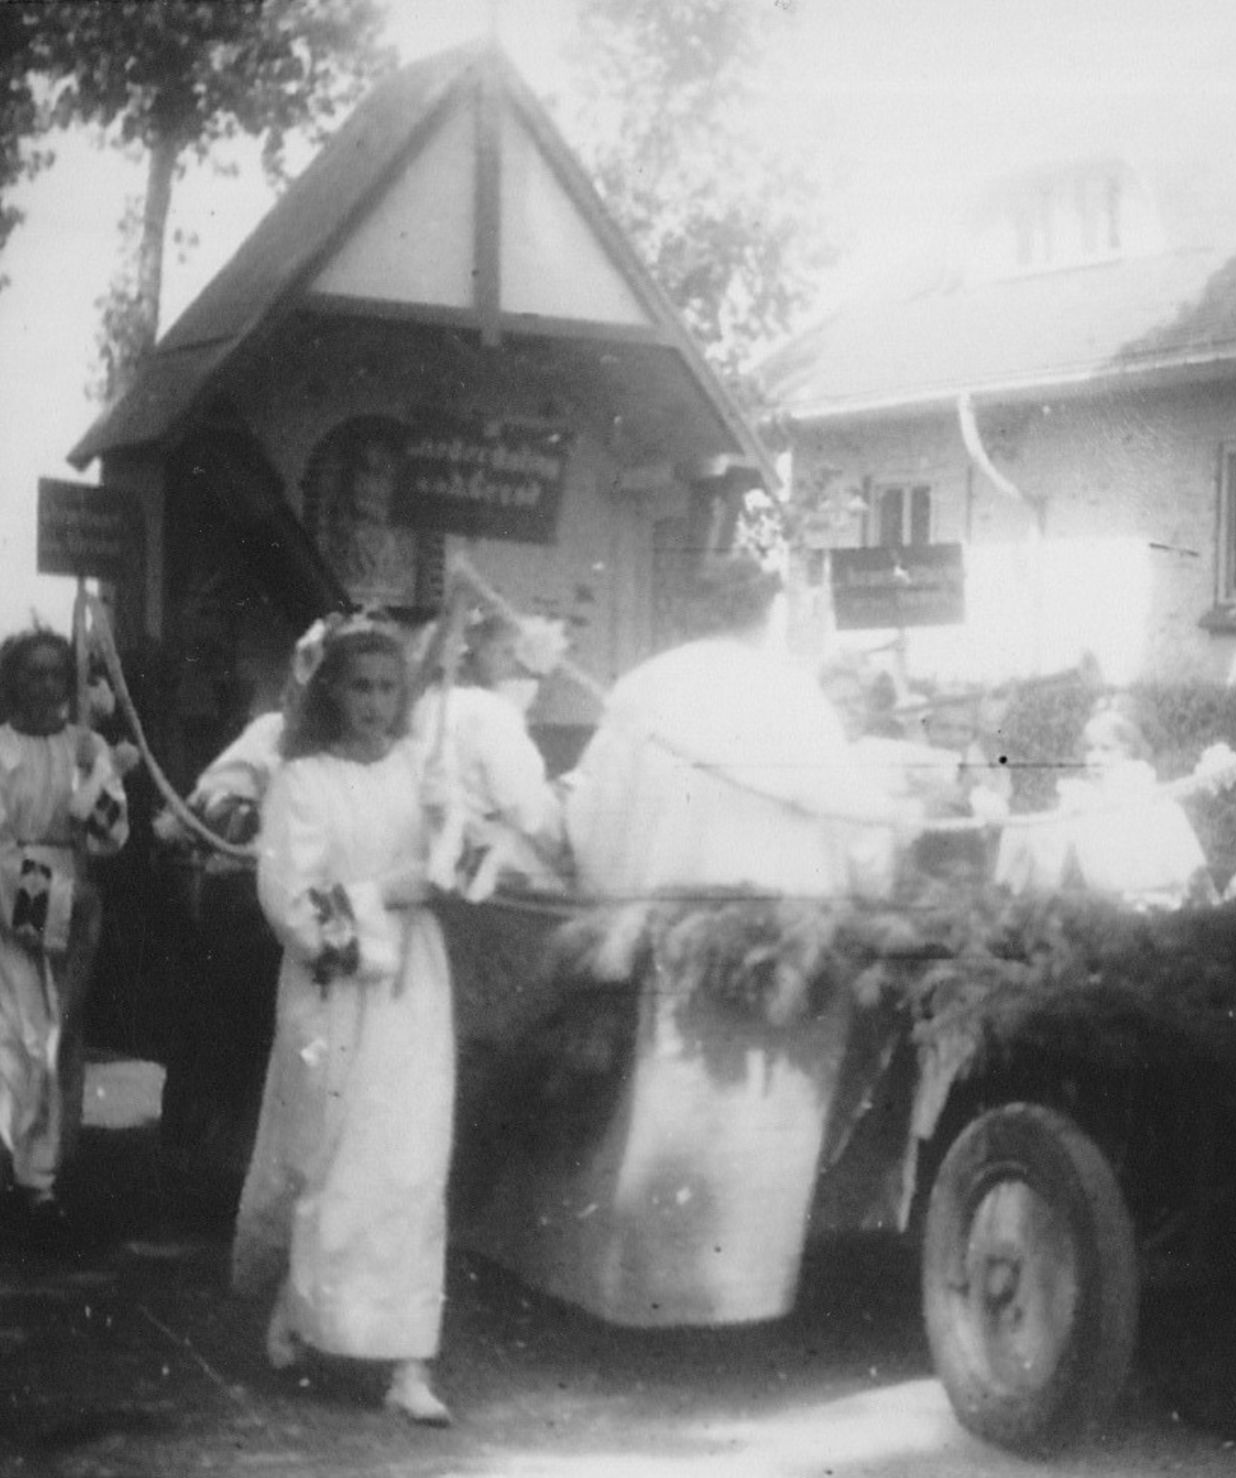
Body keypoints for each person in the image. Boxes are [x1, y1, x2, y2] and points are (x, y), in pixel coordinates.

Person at [228, 616, 456, 1426]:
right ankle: (301, 1306)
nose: (374, 703)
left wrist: (456, 839)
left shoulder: (421, 767)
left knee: (412, 1163)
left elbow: (455, 857)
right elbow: (290, 901)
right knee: (332, 1161)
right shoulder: (304, 779)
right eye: (359, 687)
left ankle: (408, 1361)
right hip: (333, 989)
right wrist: (382, 896)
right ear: (331, 691)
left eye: (388, 688)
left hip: (413, 989)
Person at [565, 556, 899, 899]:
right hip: (781, 921)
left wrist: (610, 895)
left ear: (689, 617)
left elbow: (593, 821)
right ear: (766, 615)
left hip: (659, 919)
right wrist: (873, 890)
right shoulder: (794, 692)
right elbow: (854, 815)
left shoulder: (638, 687)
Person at [0, 629, 130, 1245]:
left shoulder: (81, 746)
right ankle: (32, 1182)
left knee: (63, 1040)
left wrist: (94, 784)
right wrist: (56, 902)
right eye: (34, 674)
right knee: (22, 1038)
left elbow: (113, 834)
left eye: (59, 674)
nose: (49, 687)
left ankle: (45, 1169)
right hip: (16, 911)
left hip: (75, 900)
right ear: (11, 683)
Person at [414, 612, 569, 901]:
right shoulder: (491, 712)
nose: (514, 665)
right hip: (486, 868)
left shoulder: (427, 703)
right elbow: (526, 812)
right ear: (474, 648)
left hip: (431, 856)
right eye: (506, 652)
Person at [995, 706, 1211, 910]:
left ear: (1130, 752)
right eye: (1090, 749)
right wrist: (1019, 831)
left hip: (1157, 902)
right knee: (1023, 831)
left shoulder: (1151, 797)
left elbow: (1187, 870)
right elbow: (1052, 837)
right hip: (1108, 903)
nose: (1094, 759)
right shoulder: (1085, 797)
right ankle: (1003, 904)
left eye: (1106, 749)